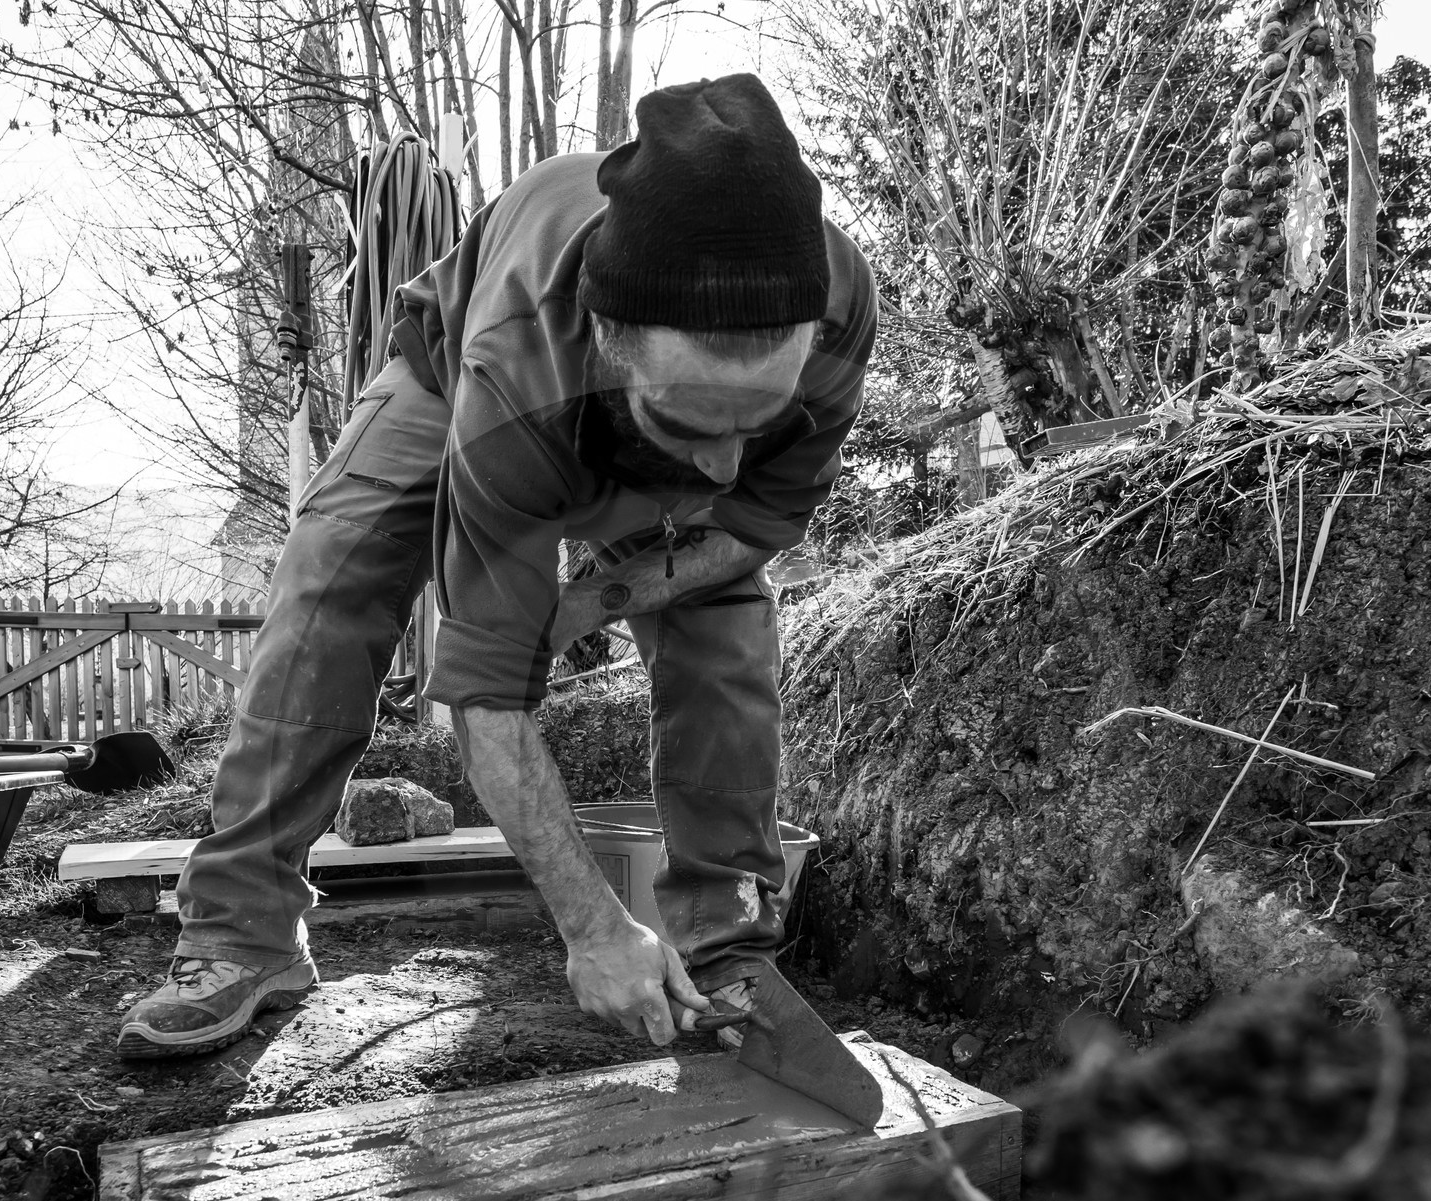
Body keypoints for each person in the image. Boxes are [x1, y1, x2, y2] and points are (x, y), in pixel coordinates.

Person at [118, 72, 877, 1061]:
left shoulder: (838, 307)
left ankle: (724, 945)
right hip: (453, 372)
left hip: (599, 400)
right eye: (697, 423)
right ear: (609, 343)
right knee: (332, 579)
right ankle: (240, 933)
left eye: (757, 422)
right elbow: (487, 705)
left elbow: (753, 521)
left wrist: (595, 598)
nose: (727, 466)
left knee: (723, 626)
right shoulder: (520, 372)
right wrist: (594, 927)